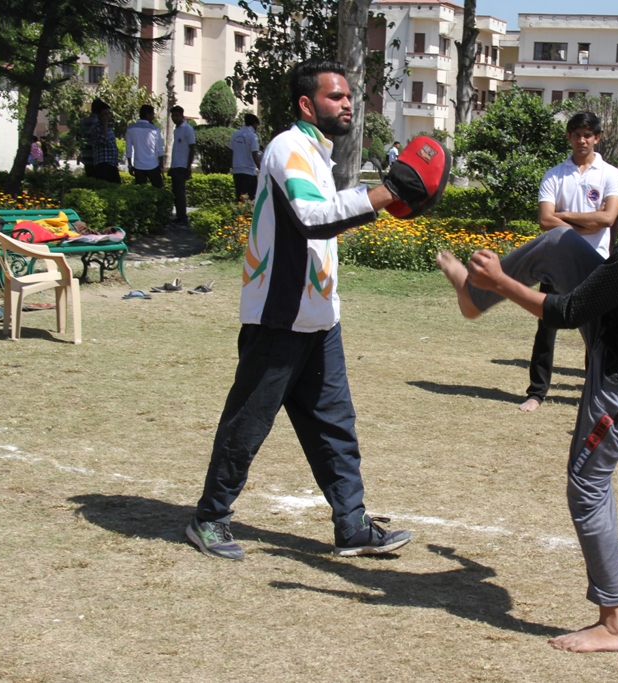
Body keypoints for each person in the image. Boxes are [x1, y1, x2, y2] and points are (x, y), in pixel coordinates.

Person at [437, 121, 618, 652]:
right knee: (561, 241)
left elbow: (567, 312)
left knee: (586, 487)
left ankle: (615, 624)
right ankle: (475, 298)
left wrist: (505, 282)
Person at [186, 59, 443, 561]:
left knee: (335, 428)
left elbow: (329, 207)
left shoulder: (317, 155)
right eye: (336, 97)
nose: (347, 104)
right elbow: (312, 218)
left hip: (320, 318)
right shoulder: (288, 148)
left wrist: (378, 198)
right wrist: (387, 193)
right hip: (278, 318)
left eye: (348, 96)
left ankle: (352, 525)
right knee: (248, 425)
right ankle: (210, 518)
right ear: (307, 105)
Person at [520, 111, 618, 413]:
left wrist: (562, 216)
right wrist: (586, 223)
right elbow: (543, 220)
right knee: (547, 328)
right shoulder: (555, 174)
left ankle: (593, 391)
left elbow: (607, 219)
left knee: (595, 333)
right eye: (576, 134)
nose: (582, 140)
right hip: (556, 261)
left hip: (595, 262)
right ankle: (536, 392)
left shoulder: (611, 174)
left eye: (588, 135)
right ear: (569, 137)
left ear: (597, 138)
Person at [168, 106, 196, 227]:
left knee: (180, 192)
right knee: (175, 192)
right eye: (173, 116)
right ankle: (179, 216)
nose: (175, 118)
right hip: (175, 165)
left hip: (182, 165)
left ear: (182, 116)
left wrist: (188, 167)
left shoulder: (187, 129)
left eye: (177, 116)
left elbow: (192, 148)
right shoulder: (176, 130)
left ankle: (183, 218)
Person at [125, 104, 165, 188]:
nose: (153, 116)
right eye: (152, 114)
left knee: (140, 193)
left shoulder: (130, 129)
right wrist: (161, 166)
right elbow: (159, 150)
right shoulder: (155, 129)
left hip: (138, 166)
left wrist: (130, 165)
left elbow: (128, 149)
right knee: (158, 191)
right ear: (147, 115)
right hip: (153, 165)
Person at [230, 113, 262, 200]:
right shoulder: (253, 136)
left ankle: (239, 213)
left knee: (239, 198)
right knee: (249, 198)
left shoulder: (235, 134)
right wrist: (261, 168)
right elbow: (254, 154)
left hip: (237, 170)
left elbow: (231, 151)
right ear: (254, 123)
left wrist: (232, 165)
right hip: (248, 171)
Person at [90, 101, 121, 183]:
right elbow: (104, 140)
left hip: (112, 163)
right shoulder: (97, 127)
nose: (108, 116)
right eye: (105, 114)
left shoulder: (109, 127)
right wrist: (104, 124)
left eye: (109, 114)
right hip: (103, 163)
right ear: (99, 115)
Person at [79, 99, 106, 178]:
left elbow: (78, 138)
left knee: (89, 179)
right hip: (98, 157)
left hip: (85, 155)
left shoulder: (82, 122)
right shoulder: (100, 123)